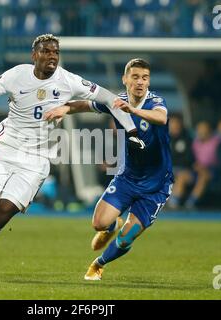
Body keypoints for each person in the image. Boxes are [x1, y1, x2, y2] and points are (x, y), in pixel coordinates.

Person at [0, 34, 145, 277]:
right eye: (46, 51)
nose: (52, 56)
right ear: (34, 55)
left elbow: (109, 99)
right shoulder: (17, 75)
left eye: (55, 52)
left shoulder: (68, 80)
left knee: (1, 215)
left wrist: (130, 130)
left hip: (36, 159)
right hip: (6, 148)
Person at [44, 58, 173, 280]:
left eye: (145, 78)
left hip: (156, 185)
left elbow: (161, 118)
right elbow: (85, 104)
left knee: (126, 238)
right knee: (98, 223)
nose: (140, 82)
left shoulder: (154, 102)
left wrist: (131, 110)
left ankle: (98, 264)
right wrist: (65, 108)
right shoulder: (115, 101)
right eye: (135, 77)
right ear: (125, 79)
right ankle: (112, 224)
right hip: (127, 178)